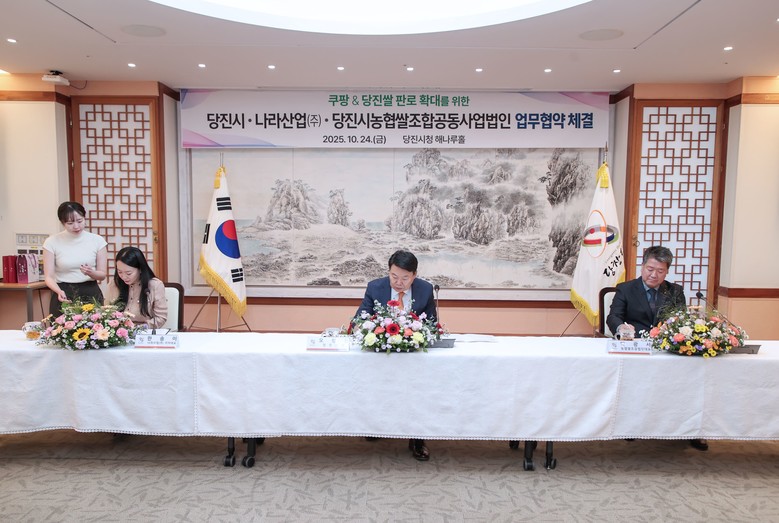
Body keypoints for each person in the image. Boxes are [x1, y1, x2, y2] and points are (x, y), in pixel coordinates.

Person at [606, 245, 708, 451]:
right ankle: (632, 426)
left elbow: (681, 320)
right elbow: (613, 316)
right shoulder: (626, 288)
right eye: (650, 269)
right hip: (637, 349)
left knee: (690, 379)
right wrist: (621, 327)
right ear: (642, 266)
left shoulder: (675, 291)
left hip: (666, 348)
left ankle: (691, 430)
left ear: (666, 272)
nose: (654, 275)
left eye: (660, 271)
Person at [356, 249, 437, 462]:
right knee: (377, 387)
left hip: (414, 357)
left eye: (405, 278)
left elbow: (431, 324)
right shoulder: (375, 287)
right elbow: (360, 319)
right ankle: (376, 426)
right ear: (388, 271)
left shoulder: (425, 290)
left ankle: (417, 438)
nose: (398, 283)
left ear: (414, 275)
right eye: (394, 276)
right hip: (382, 356)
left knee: (417, 392)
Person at [43, 201, 108, 316]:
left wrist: (91, 273)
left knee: (93, 326)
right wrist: (58, 291)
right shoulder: (52, 242)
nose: (76, 226)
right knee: (62, 326)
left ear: (84, 218)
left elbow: (102, 275)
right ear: (62, 222)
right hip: (63, 292)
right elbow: (49, 277)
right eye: (70, 223)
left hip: (90, 292)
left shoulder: (97, 241)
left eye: (80, 221)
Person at [105, 246, 168, 329]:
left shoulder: (154, 285)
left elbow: (161, 318)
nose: (124, 277)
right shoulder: (114, 284)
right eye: (120, 272)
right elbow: (106, 312)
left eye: (128, 273)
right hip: (118, 332)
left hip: (144, 332)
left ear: (140, 269)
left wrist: (140, 328)